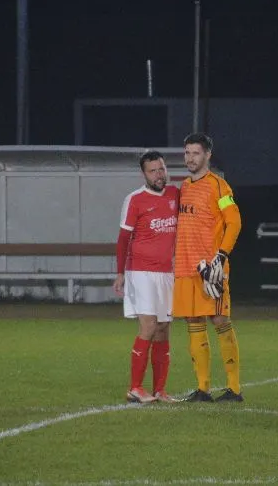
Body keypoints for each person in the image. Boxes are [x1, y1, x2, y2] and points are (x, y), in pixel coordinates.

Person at [173, 133, 243, 402]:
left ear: (207, 155)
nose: (190, 158)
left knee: (220, 320)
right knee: (193, 322)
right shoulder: (183, 187)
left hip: (210, 269)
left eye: (195, 153)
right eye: (187, 153)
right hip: (185, 267)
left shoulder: (219, 187)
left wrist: (221, 256)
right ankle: (203, 389)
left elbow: (234, 222)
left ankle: (234, 389)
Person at [113, 150, 180, 404]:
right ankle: (135, 388)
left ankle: (160, 390)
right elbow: (123, 239)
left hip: (166, 273)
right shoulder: (135, 199)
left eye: (161, 169)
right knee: (149, 326)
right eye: (153, 171)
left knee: (163, 329)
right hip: (140, 272)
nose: (159, 175)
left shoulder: (175, 194)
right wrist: (120, 272)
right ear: (144, 174)